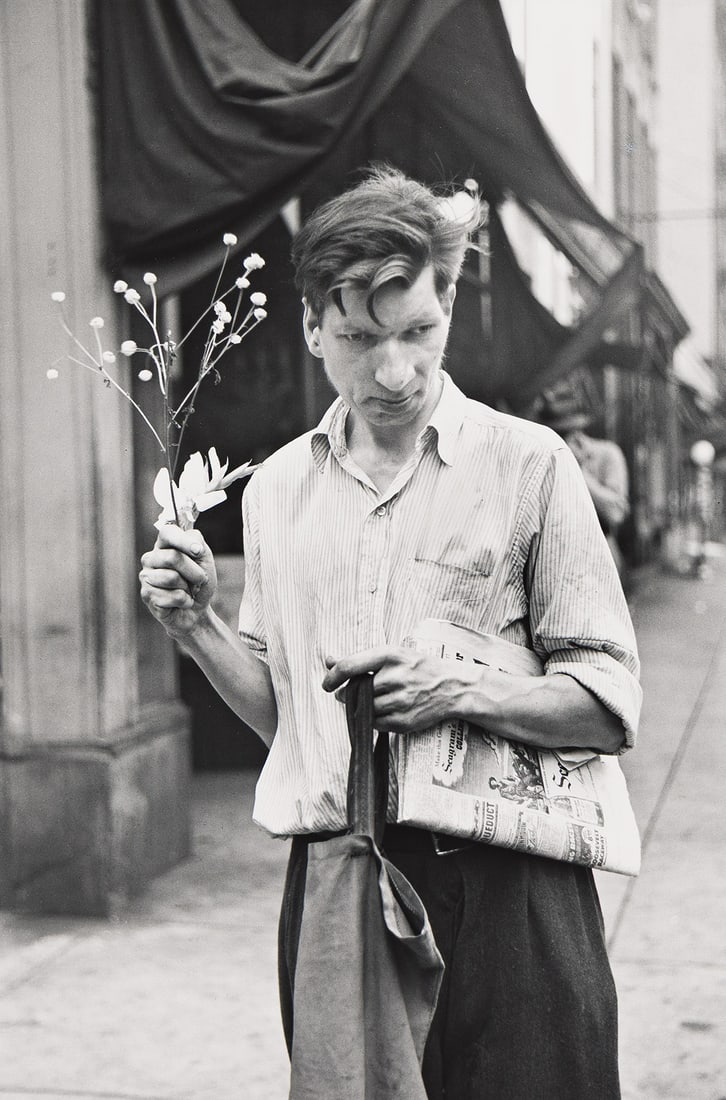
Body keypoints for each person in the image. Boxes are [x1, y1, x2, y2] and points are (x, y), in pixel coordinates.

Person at [139, 166, 641, 1099]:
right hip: (337, 881)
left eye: (417, 331)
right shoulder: (279, 489)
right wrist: (197, 625)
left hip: (511, 891)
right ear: (310, 328)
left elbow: (610, 705)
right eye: (360, 338)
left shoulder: (532, 466)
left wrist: (460, 690)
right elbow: (292, 725)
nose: (394, 371)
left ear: (449, 301)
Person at [539, 385, 631, 574]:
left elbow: (616, 513)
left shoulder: (606, 454)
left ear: (578, 433)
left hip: (599, 556)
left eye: (566, 433)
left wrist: (577, 469)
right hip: (554, 558)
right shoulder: (541, 457)